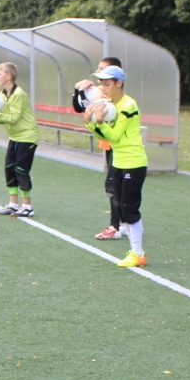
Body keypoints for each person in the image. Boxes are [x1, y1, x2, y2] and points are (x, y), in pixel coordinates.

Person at [83, 66, 147, 267]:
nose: (103, 87)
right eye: (101, 83)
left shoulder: (128, 105)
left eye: (107, 83)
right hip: (118, 162)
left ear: (119, 83)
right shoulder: (108, 104)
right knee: (120, 210)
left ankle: (138, 254)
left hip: (133, 162)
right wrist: (91, 123)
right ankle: (135, 251)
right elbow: (106, 137)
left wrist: (98, 123)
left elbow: (114, 135)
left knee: (129, 209)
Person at [0, 62, 40, 217]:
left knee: (21, 169)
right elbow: (0, 119)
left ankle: (27, 206)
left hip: (27, 136)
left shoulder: (18, 94)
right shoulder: (1, 96)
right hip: (15, 137)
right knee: (9, 168)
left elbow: (13, 118)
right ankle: (13, 204)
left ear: (8, 76)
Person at [74, 56, 123, 239]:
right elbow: (79, 108)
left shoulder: (113, 97)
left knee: (113, 185)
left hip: (119, 146)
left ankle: (115, 226)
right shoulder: (100, 91)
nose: (99, 72)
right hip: (109, 144)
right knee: (115, 185)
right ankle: (122, 223)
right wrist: (79, 91)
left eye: (103, 69)